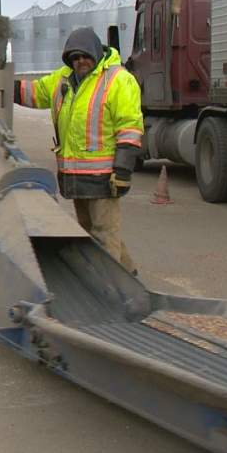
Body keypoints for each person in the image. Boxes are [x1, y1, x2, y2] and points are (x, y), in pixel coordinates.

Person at [15, 28, 143, 273]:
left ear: (96, 53)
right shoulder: (64, 78)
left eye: (84, 56)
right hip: (76, 177)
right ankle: (130, 277)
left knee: (104, 236)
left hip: (105, 178)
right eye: (74, 58)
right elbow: (34, 93)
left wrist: (123, 170)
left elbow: (129, 127)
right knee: (94, 234)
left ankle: (111, 291)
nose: (80, 61)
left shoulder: (118, 80)